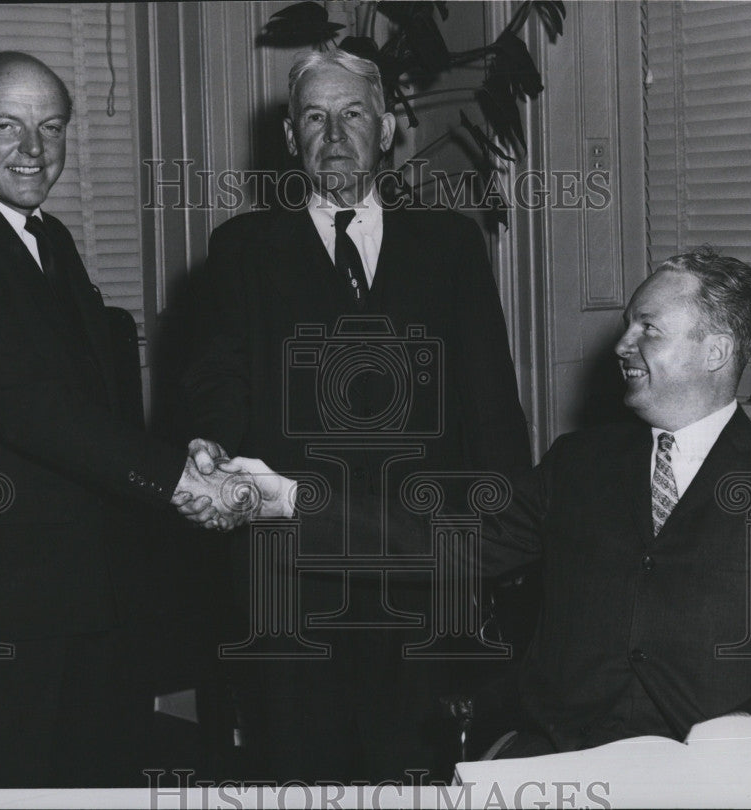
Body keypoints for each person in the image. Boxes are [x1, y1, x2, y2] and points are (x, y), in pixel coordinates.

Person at [282, 248, 751, 757]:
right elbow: (443, 538)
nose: (623, 345)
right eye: (628, 325)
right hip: (559, 755)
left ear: (716, 351)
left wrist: (747, 730)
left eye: (648, 329)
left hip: (718, 771)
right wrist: (282, 500)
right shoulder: (578, 463)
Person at [0, 51, 253, 788]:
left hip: (73, 594)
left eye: (51, 128)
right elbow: (31, 406)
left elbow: (87, 398)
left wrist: (185, 451)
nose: (34, 150)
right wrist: (175, 479)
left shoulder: (42, 235)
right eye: (9, 126)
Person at [180, 48, 532, 782]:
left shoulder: (450, 243)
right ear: (288, 137)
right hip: (290, 571)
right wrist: (210, 446)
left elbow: (490, 401)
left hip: (424, 566)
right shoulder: (242, 249)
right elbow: (222, 379)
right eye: (314, 117)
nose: (333, 135)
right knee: (299, 769)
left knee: (421, 768)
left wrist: (507, 542)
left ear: (388, 128)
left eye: (352, 114)